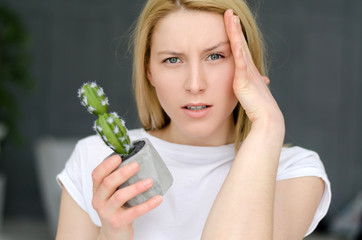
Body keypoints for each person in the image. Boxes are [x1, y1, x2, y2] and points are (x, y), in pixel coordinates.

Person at [56, 0, 331, 239]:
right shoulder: (94, 159)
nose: (195, 84)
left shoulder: (295, 171)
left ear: (245, 64)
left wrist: (268, 124)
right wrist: (111, 234)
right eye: (173, 60)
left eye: (215, 56)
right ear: (149, 71)